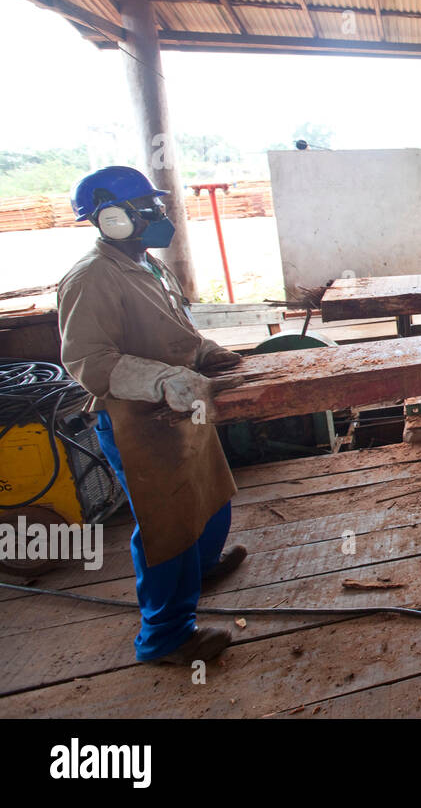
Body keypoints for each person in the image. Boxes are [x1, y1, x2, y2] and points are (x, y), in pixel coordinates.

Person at [57, 166, 247, 665]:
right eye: (148, 209)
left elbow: (173, 329)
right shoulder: (90, 279)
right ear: (112, 218)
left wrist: (204, 351)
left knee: (211, 499)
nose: (160, 216)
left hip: (185, 406)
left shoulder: (147, 264)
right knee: (168, 526)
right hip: (138, 420)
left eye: (157, 207)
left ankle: (201, 569)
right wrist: (162, 380)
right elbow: (88, 361)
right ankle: (164, 637)